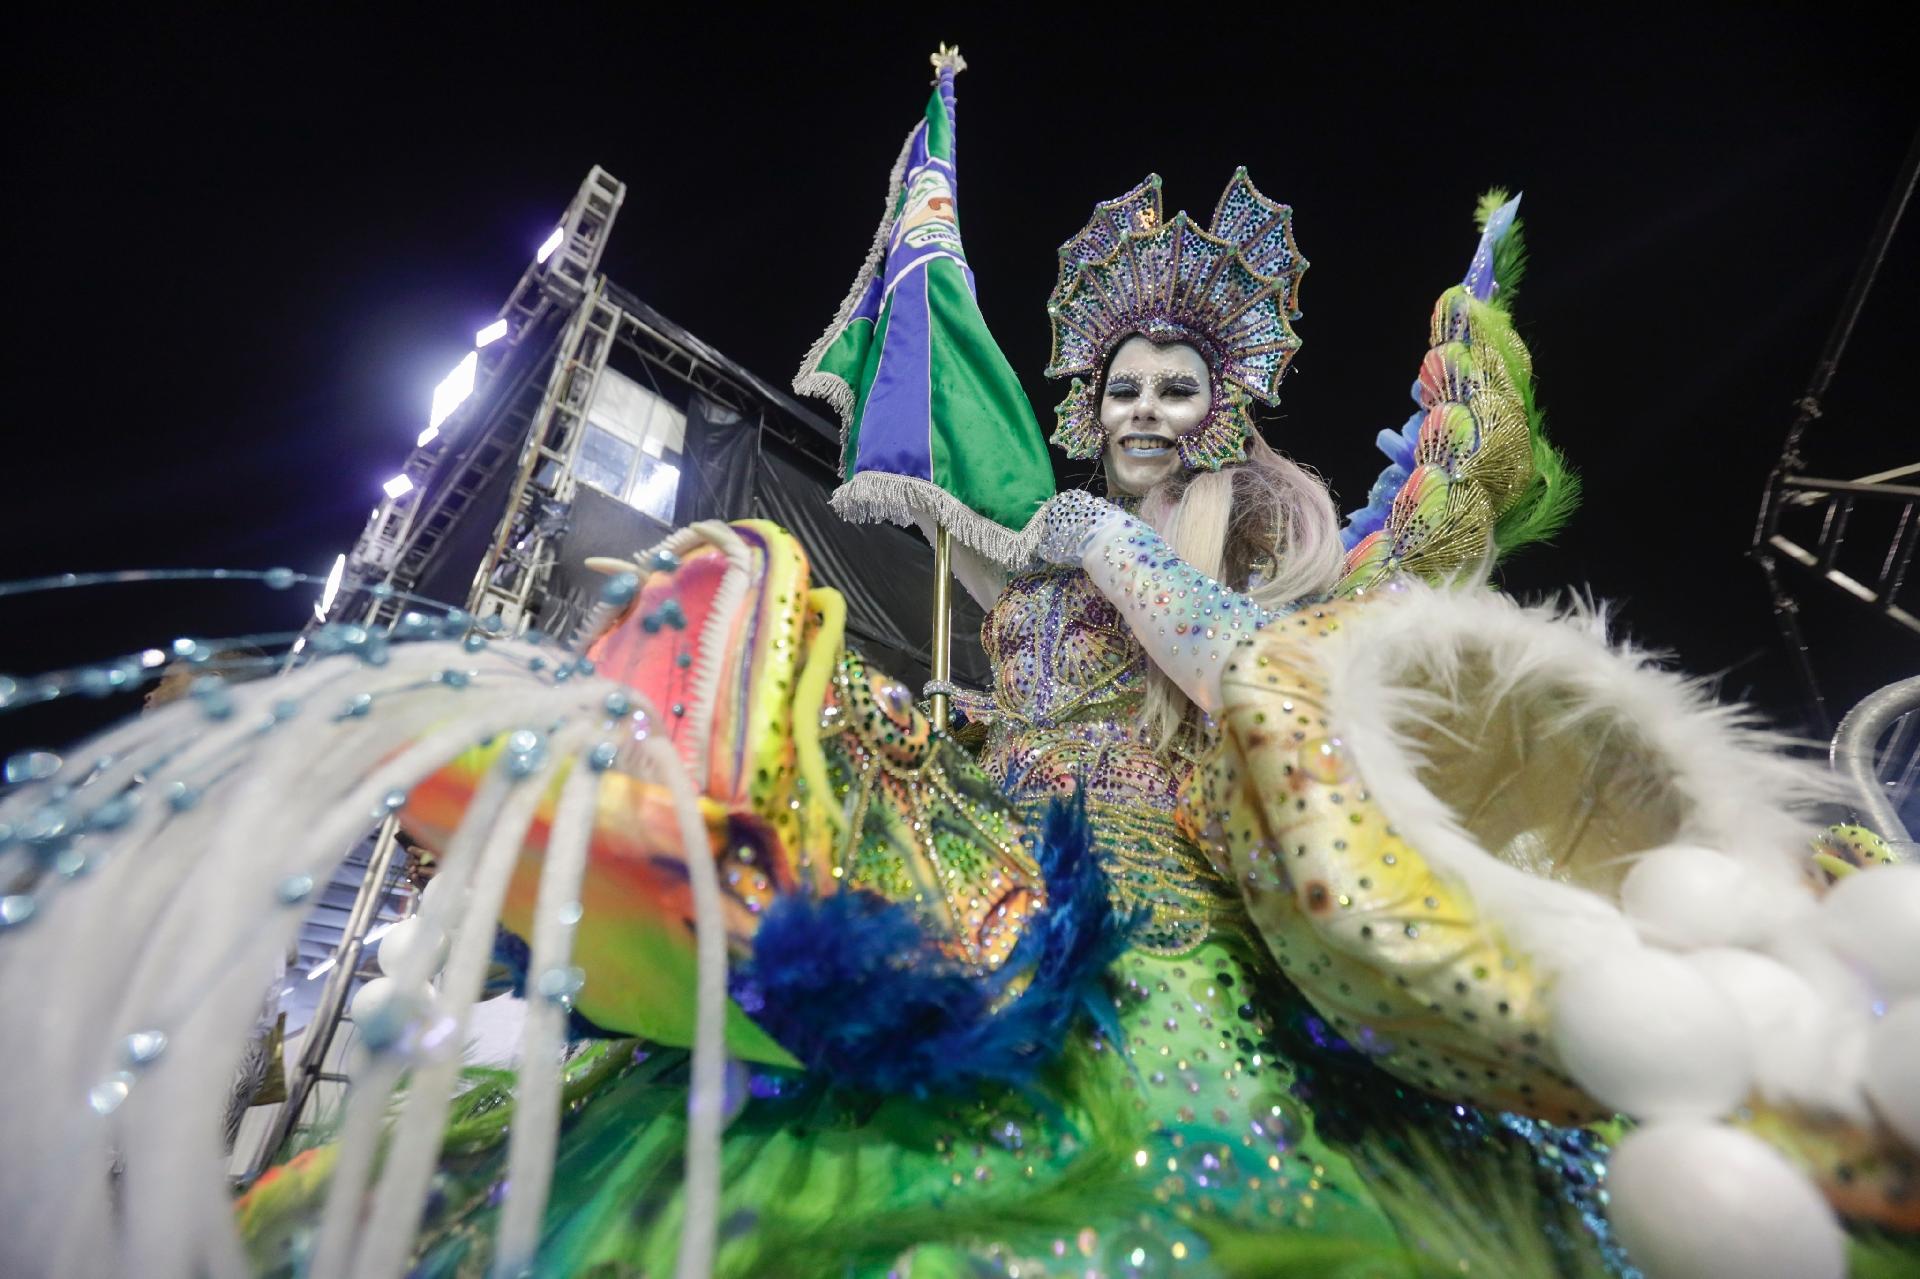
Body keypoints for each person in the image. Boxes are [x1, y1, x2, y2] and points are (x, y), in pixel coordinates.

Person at [2, 107, 1914, 1279]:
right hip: (1030, 873)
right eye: (1127, 389)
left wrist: (1111, 549)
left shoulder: (1238, 560)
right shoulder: (1062, 537)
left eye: (1183, 389)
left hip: (1196, 913)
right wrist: (950, 729)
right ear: (1092, 399)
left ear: (1229, 410)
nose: (1150, 412)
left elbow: (1261, 687)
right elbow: (1028, 724)